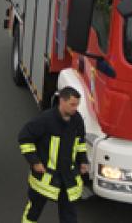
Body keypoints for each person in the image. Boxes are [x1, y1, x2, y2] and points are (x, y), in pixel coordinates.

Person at [17, 87, 90, 223]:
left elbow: (80, 143)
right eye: (72, 104)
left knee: (69, 216)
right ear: (62, 101)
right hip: (45, 178)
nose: (75, 108)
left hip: (68, 178)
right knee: (33, 212)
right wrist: (35, 162)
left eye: (77, 105)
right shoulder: (45, 120)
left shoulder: (77, 120)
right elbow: (24, 138)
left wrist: (83, 161)